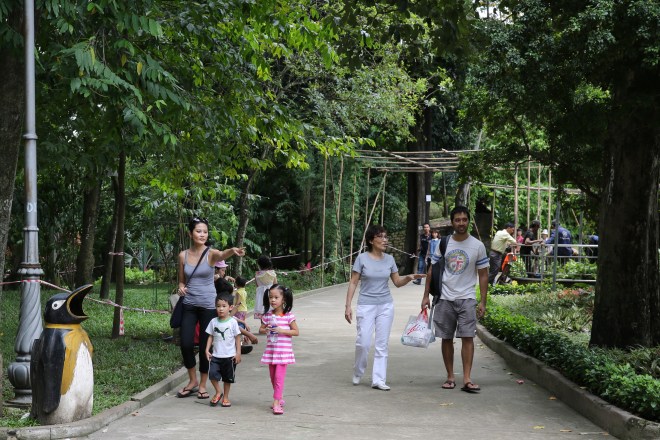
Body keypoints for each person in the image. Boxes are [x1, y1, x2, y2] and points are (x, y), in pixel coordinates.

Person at [344, 225, 426, 390]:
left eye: (386, 237)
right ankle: (358, 371)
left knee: (382, 344)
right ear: (371, 240)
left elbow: (397, 282)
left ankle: (379, 379)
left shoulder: (389, 259)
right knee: (363, 342)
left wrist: (409, 277)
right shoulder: (362, 259)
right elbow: (353, 282)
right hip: (366, 305)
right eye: (380, 237)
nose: (385, 240)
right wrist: (348, 306)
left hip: (385, 306)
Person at [175, 217, 245, 400]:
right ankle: (193, 380)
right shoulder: (183, 255)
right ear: (190, 234)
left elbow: (222, 254)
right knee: (186, 344)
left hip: (208, 306)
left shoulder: (210, 254)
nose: (202, 234)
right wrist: (181, 287)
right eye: (198, 231)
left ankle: (203, 384)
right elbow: (181, 280)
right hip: (189, 304)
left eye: (205, 231)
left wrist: (233, 250)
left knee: (205, 346)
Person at [421, 206, 489, 393]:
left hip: (467, 298)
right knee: (446, 338)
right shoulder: (444, 243)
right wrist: (426, 295)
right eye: (457, 220)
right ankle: (450, 377)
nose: (461, 223)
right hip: (444, 297)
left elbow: (483, 275)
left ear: (469, 221)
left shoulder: (477, 246)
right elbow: (432, 269)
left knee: (468, 337)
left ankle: (467, 378)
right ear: (452, 222)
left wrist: (483, 301)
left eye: (464, 219)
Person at [259, 284, 299, 415]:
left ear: (284, 299)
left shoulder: (288, 316)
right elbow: (261, 329)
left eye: (276, 297)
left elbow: (296, 332)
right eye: (271, 297)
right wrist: (266, 328)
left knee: (278, 377)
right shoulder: (268, 316)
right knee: (273, 377)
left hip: (283, 353)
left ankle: (276, 402)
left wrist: (281, 330)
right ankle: (279, 397)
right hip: (271, 352)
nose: (273, 300)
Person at [204, 294, 241, 407]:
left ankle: (225, 397)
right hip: (216, 356)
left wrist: (238, 353)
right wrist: (207, 350)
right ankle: (218, 392)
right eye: (218, 306)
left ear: (230, 307)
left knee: (227, 379)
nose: (221, 309)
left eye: (224, 306)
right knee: (212, 375)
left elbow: (237, 337)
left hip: (230, 356)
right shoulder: (213, 321)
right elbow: (210, 336)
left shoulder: (232, 322)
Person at [232, 276, 258, 354]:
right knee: (242, 325)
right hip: (244, 310)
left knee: (238, 325)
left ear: (236, 284)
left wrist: (234, 307)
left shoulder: (238, 292)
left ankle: (241, 341)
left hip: (239, 310)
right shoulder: (244, 291)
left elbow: (238, 302)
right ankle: (243, 340)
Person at [254, 255, 277, 320]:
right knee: (272, 310)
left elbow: (257, 285)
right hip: (271, 293)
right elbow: (275, 284)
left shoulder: (257, 274)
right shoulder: (272, 273)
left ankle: (263, 324)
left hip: (261, 294)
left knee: (262, 311)